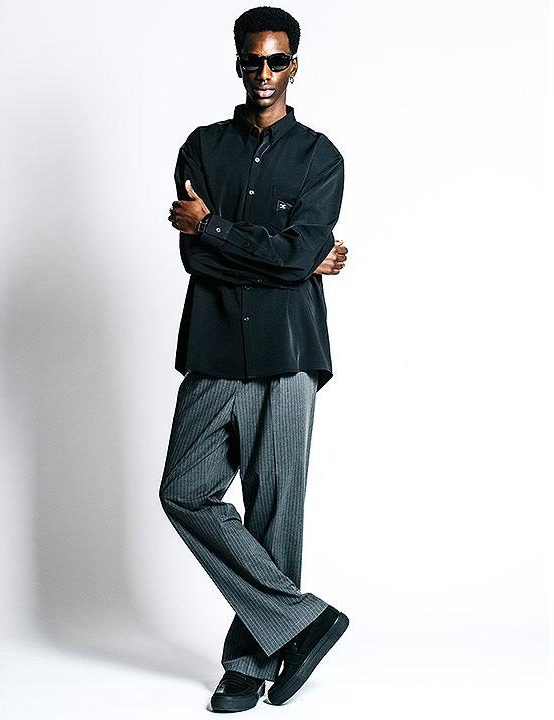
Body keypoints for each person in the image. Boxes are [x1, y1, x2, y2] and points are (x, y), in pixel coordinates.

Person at [160, 6, 349, 712]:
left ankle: (250, 662)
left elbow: (295, 255)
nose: (264, 73)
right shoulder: (201, 148)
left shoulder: (320, 158)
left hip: (289, 351)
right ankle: (303, 621)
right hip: (213, 346)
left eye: (277, 60)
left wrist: (216, 228)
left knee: (275, 507)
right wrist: (288, 259)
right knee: (184, 491)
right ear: (238, 62)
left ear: (294, 64)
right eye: (252, 60)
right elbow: (196, 258)